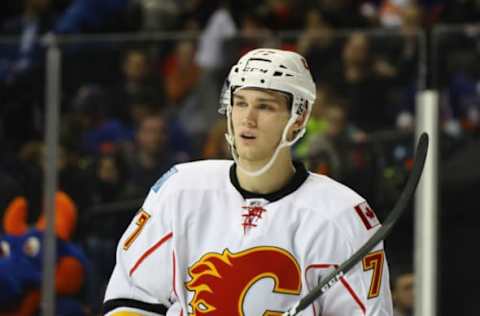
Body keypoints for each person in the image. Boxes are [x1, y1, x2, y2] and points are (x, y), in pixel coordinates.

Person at [103, 48, 393, 315]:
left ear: (299, 116)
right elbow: (130, 299)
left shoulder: (342, 216)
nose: (247, 119)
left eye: (265, 107)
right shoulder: (180, 189)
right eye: (240, 103)